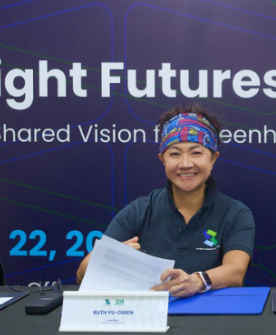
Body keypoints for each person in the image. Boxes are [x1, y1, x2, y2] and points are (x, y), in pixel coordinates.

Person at [76, 103, 254, 298]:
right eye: (175, 154)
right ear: (163, 159)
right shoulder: (139, 211)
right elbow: (82, 274)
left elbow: (236, 272)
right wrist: (110, 259)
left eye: (196, 152)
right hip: (146, 314)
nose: (185, 164)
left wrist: (197, 281)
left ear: (213, 158)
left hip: (211, 315)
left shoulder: (235, 213)